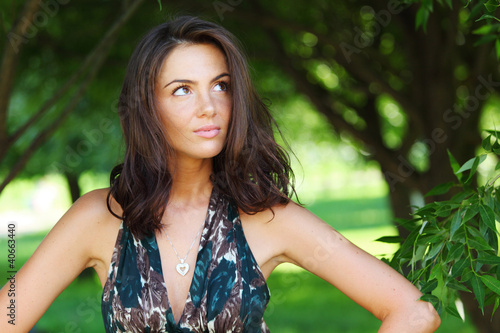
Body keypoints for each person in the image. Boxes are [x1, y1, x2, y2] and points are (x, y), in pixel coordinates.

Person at [0, 16, 440, 332]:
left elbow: (415, 311)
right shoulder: (99, 216)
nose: (209, 106)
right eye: (182, 90)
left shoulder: (267, 217)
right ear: (146, 107)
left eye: (221, 85)